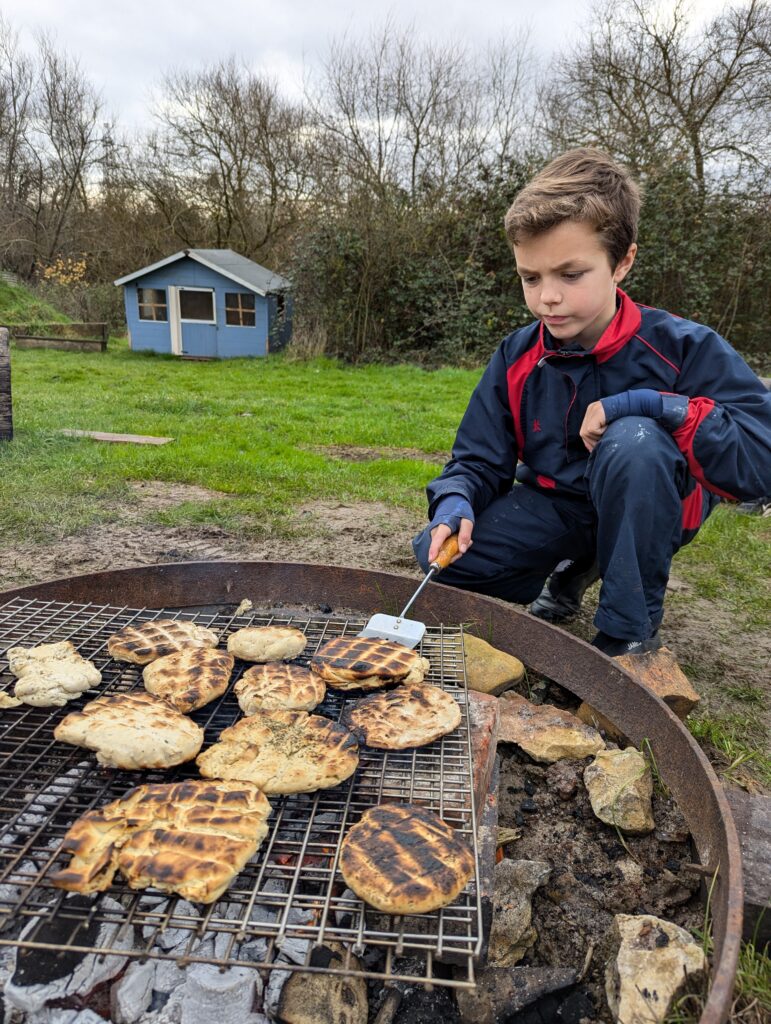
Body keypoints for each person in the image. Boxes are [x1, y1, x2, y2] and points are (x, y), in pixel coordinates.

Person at [413, 148, 771, 657]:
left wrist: (650, 404)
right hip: (562, 506)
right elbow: (477, 458)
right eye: (530, 278)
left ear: (622, 262)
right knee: (443, 558)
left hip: (656, 502)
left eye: (570, 274)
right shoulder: (518, 353)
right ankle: (576, 568)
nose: (546, 299)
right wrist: (456, 500)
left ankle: (628, 633)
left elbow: (761, 458)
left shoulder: (685, 346)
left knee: (635, 439)